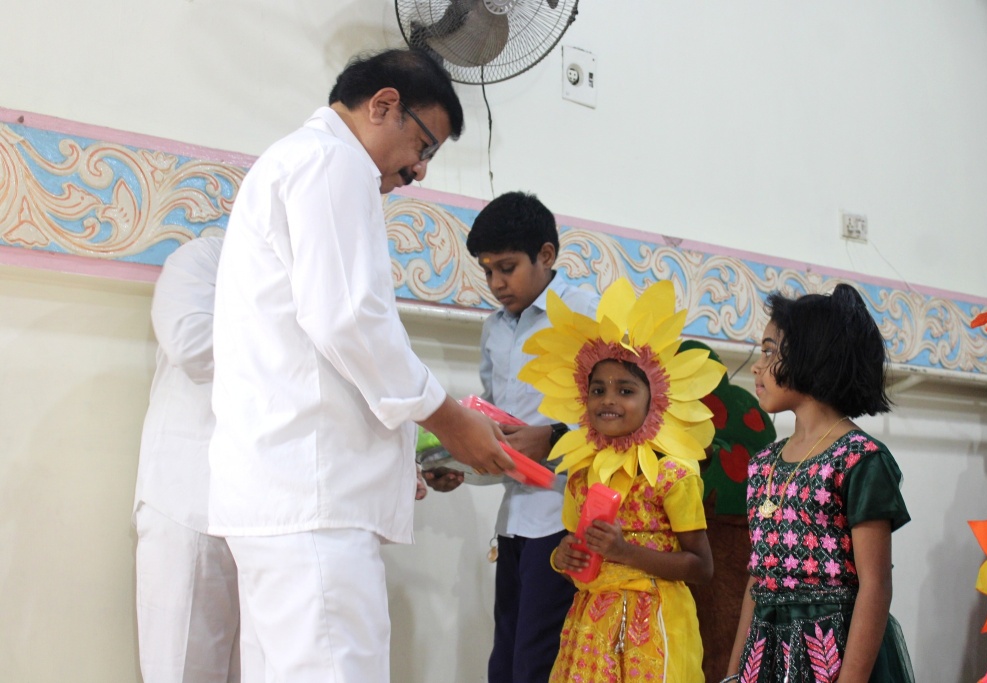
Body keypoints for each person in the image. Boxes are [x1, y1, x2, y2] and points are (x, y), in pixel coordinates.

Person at [207, 48, 513, 683]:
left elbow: (321, 347)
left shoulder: (299, 162)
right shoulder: (331, 163)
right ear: (383, 106)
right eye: (423, 144)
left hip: (288, 494)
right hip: (311, 504)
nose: (420, 170)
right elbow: (347, 321)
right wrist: (450, 422)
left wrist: (404, 451)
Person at [425, 190, 600, 682]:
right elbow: (497, 430)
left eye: (507, 267)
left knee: (538, 666)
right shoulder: (494, 332)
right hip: (515, 521)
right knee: (505, 664)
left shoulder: (587, 314)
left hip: (567, 519)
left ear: (546, 255)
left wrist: (557, 436)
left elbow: (625, 416)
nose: (497, 283)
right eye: (487, 271)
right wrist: (459, 464)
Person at [521, 277, 726, 682]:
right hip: (591, 630)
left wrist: (625, 551)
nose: (608, 399)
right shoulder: (581, 473)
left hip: (654, 631)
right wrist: (562, 558)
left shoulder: (672, 475)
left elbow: (701, 567)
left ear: (656, 400)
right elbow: (578, 557)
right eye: (597, 389)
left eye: (626, 389)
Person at [724, 283, 916, 683]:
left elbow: (876, 587)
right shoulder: (763, 465)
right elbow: (757, 580)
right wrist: (732, 674)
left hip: (833, 657)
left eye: (769, 351)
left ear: (811, 355)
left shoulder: (860, 460)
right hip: (765, 657)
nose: (757, 367)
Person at [133, 235, 243, 683]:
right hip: (188, 501)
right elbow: (191, 343)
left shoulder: (317, 279)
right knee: (182, 669)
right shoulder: (206, 258)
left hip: (272, 514)